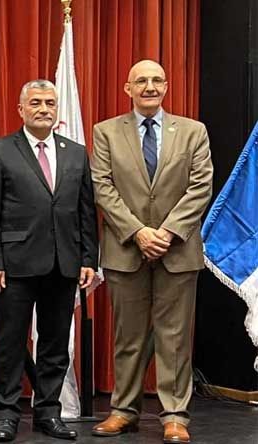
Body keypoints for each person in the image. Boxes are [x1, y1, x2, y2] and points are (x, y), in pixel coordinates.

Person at [90, 60, 213, 444]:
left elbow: (200, 187)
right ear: (127, 88)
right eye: (141, 80)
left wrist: (167, 233)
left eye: (157, 80)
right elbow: (102, 187)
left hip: (178, 251)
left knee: (174, 339)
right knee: (128, 337)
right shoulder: (106, 132)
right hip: (126, 250)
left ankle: (175, 415)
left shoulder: (193, 131)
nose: (149, 86)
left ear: (166, 86)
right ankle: (123, 411)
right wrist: (138, 232)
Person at [0, 79, 98, 442]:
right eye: (36, 103)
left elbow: (86, 210)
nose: (44, 108)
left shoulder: (75, 152)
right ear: (21, 110)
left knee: (55, 344)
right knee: (9, 343)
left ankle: (48, 412)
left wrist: (89, 258)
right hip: (14, 265)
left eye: (49, 103)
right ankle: (6, 413)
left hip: (64, 263)